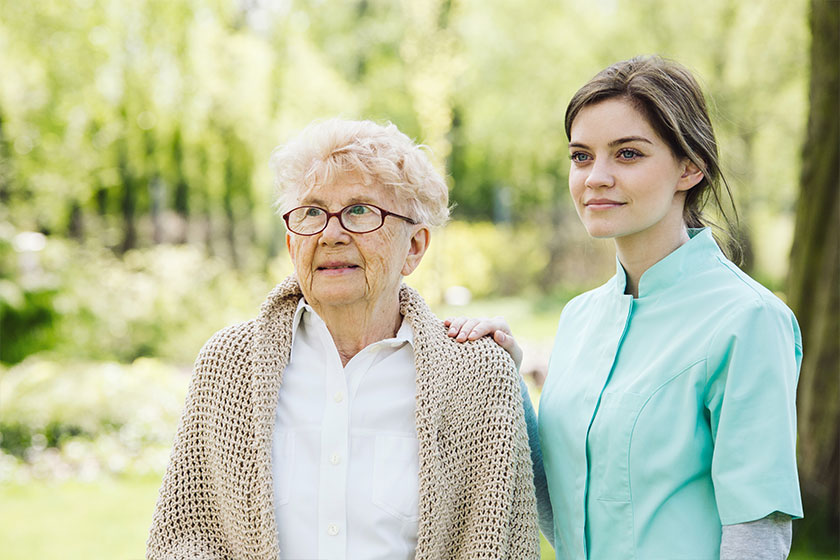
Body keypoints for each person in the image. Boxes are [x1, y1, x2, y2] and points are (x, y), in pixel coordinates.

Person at [447, 55, 803, 559]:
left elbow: (758, 535)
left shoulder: (749, 321)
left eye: (628, 154)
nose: (595, 177)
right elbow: (564, 514)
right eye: (581, 156)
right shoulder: (578, 319)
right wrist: (505, 376)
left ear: (690, 167)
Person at [146, 119, 540, 560]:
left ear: (414, 246)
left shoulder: (476, 376)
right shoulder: (228, 365)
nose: (331, 234)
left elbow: (502, 545)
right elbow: (184, 538)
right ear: (292, 243)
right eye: (312, 212)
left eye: (360, 211)